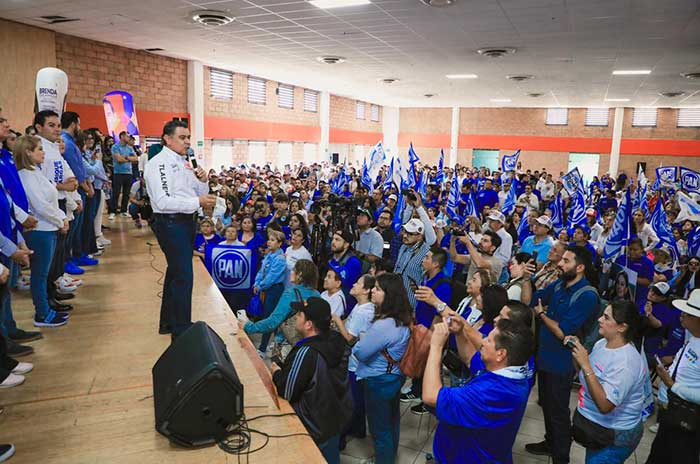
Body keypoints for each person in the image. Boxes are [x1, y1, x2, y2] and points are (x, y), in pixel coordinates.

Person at [523, 245, 600, 464]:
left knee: (558, 411)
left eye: (566, 261)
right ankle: (550, 442)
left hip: (562, 363)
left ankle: (561, 457)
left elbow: (562, 331)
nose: (560, 264)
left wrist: (542, 315)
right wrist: (527, 278)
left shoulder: (586, 295)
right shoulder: (559, 284)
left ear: (580, 267)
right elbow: (531, 299)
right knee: (547, 405)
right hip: (545, 357)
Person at [422, 318, 534, 463]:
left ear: (501, 354)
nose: (482, 341)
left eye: (489, 340)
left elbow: (430, 396)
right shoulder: (509, 369)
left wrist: (436, 347)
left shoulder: (491, 392)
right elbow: (470, 359)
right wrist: (460, 333)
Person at [144, 120, 216, 338]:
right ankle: (181, 329)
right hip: (170, 222)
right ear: (167, 138)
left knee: (175, 272)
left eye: (188, 138)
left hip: (185, 221)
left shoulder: (185, 162)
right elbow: (163, 201)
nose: (187, 142)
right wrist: (198, 202)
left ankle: (168, 322)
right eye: (182, 138)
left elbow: (194, 190)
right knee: (184, 275)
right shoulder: (158, 164)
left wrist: (203, 181)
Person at [270, 296, 352, 464]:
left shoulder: (307, 352)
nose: (295, 317)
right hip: (334, 418)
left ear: (309, 324)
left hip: (312, 426)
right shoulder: (337, 340)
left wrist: (277, 372)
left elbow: (287, 391)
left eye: (300, 314)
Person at [565, 301, 649, 463]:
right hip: (597, 431)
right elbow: (587, 377)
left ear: (622, 327)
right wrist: (577, 352)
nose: (599, 320)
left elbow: (605, 405)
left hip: (613, 437)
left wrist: (586, 363)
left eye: (606, 317)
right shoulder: (601, 344)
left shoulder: (626, 363)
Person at [352, 273, 411, 464]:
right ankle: (389, 457)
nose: (372, 292)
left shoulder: (384, 325)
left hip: (378, 380)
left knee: (379, 429)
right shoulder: (401, 319)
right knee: (392, 422)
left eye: (377, 289)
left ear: (389, 295)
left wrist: (362, 338)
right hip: (394, 376)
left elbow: (360, 352)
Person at [14, 136, 70, 328]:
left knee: (43, 274)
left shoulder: (35, 172)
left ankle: (46, 308)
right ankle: (42, 313)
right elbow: (40, 205)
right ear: (28, 152)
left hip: (49, 227)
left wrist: (61, 216)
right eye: (39, 149)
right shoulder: (26, 175)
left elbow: (51, 200)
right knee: (39, 274)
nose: (43, 151)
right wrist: (60, 219)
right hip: (40, 230)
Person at [646, 288, 700, 464]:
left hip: (689, 423)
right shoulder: (693, 339)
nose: (681, 316)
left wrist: (672, 384)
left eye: (687, 313)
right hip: (673, 415)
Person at [332, 274, 376, 445]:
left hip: (356, 364)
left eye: (357, 283)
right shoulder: (361, 307)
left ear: (365, 290)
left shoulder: (363, 311)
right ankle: (358, 430)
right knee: (356, 399)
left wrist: (337, 320)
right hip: (359, 363)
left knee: (350, 400)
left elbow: (350, 338)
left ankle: (343, 436)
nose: (353, 284)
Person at [393, 190, 437, 308]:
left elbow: (431, 237)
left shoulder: (425, 250)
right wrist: (408, 204)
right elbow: (404, 220)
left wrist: (419, 207)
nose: (405, 236)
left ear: (420, 236)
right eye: (405, 232)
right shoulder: (403, 247)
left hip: (411, 304)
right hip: (394, 298)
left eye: (411, 234)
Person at [252, 229, 287, 352]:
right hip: (265, 288)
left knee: (269, 317)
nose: (269, 242)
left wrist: (260, 286)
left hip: (274, 290)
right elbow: (261, 271)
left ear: (279, 244)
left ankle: (262, 348)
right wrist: (256, 283)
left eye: (272, 240)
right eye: (269, 239)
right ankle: (273, 342)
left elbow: (272, 277)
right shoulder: (269, 255)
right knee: (266, 315)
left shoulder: (280, 259)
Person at [615, 237, 654, 311]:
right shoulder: (622, 259)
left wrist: (631, 278)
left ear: (642, 249)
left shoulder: (647, 263)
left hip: (638, 297)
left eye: (635, 250)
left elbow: (648, 281)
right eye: (630, 249)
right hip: (620, 294)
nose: (632, 252)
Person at [109, 131, 138, 219]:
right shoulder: (115, 147)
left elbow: (136, 159)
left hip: (128, 173)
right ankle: (113, 211)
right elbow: (118, 159)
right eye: (127, 136)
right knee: (116, 193)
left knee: (126, 193)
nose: (128, 138)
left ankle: (124, 210)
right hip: (118, 172)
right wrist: (129, 159)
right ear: (121, 136)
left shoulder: (130, 148)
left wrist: (126, 158)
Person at [354, 208, 384, 272]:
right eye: (358, 215)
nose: (359, 217)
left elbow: (375, 258)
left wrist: (360, 254)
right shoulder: (354, 232)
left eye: (363, 215)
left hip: (366, 271)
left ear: (370, 221)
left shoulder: (376, 236)